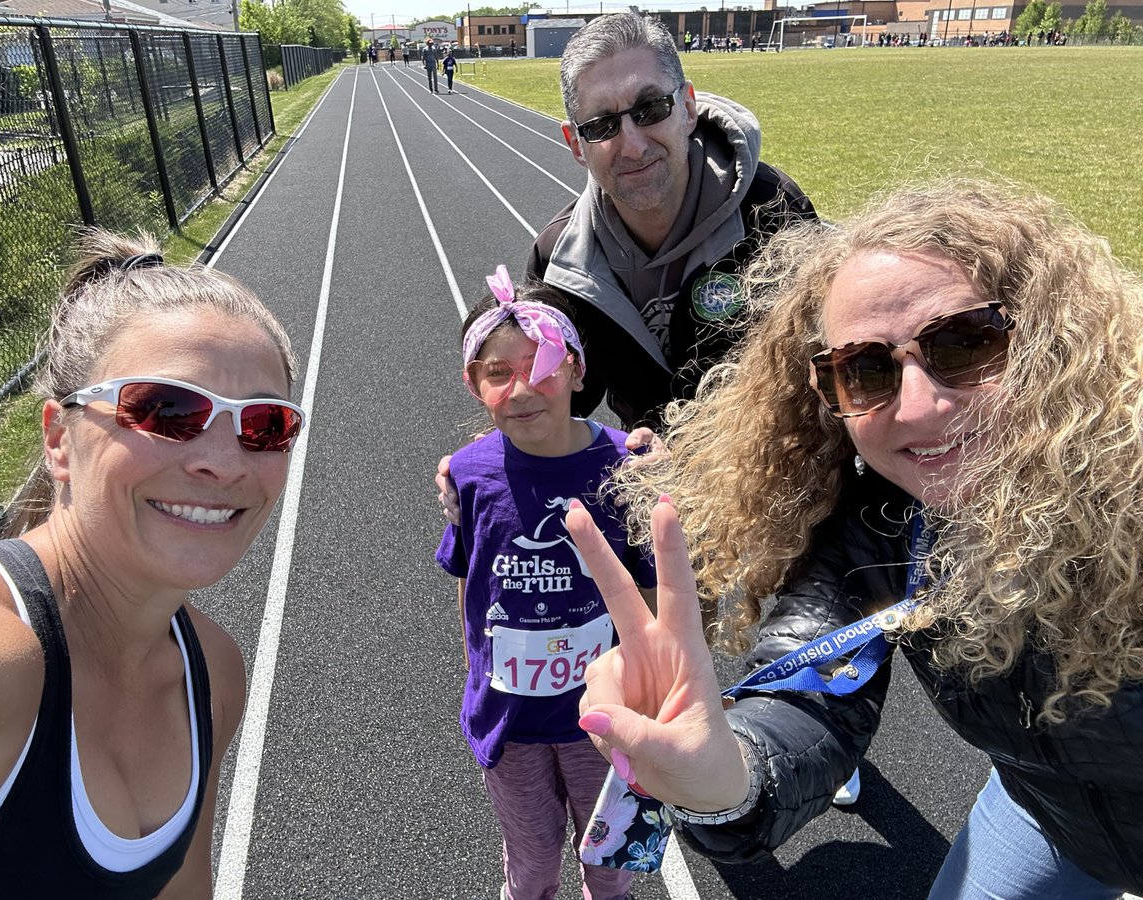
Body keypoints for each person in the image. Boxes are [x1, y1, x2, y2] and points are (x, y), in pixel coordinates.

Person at [564, 179, 1143, 898]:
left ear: (1052, 339)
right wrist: (722, 775)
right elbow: (808, 698)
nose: (920, 404)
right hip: (1047, 811)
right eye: (864, 370)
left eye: (965, 343)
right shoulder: (883, 521)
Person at [0, 230, 303, 897]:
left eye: (264, 426)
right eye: (168, 411)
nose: (222, 462)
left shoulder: (212, 673)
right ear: (58, 437)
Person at [436, 267, 656, 900]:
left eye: (543, 365)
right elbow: (469, 577)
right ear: (473, 385)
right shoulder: (471, 476)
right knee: (530, 865)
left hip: (603, 721)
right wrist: (473, 664)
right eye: (498, 372)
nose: (522, 388)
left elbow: (647, 588)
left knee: (608, 865)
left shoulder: (624, 468)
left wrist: (650, 685)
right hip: (512, 725)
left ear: (579, 372)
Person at [527, 12, 815, 430]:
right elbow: (556, 410)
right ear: (576, 144)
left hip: (771, 473)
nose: (632, 145)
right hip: (643, 480)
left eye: (650, 108)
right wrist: (487, 465)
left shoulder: (775, 214)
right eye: (602, 125)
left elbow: (833, 380)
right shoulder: (557, 262)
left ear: (688, 107)